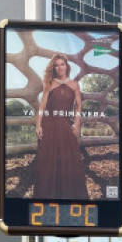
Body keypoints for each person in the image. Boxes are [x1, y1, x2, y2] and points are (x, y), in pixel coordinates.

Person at [34, 53, 86, 199]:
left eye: (62, 64)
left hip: (65, 124)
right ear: (54, 68)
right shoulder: (49, 84)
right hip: (49, 124)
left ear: (66, 66)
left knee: (71, 158)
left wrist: (76, 123)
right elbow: (42, 106)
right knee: (48, 159)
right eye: (56, 65)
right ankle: (47, 195)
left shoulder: (74, 84)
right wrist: (38, 124)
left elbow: (78, 106)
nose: (59, 67)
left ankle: (69, 194)